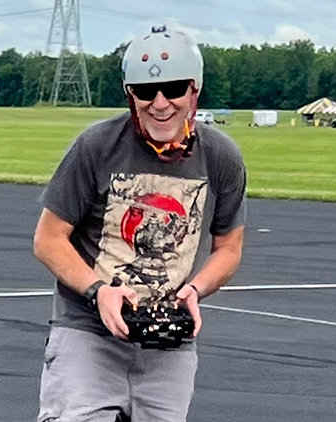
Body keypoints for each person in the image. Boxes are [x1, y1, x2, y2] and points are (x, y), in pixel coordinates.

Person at [33, 24, 246, 422]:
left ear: (194, 91)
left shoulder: (221, 156)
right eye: (146, 92)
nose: (160, 103)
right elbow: (48, 239)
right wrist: (98, 291)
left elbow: (229, 247)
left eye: (174, 88)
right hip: (88, 334)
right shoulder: (97, 146)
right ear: (131, 95)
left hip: (169, 342)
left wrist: (195, 291)